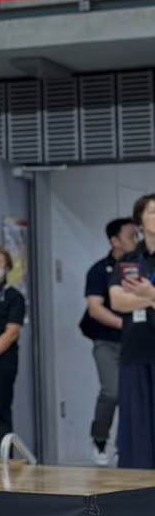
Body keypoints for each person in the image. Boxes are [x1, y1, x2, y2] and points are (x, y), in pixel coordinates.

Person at [82, 217, 138, 465]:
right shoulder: (99, 270)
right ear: (114, 241)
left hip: (138, 343)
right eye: (130, 236)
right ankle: (100, 439)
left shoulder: (142, 266)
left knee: (137, 396)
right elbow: (95, 309)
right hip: (108, 341)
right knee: (113, 392)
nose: (135, 241)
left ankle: (126, 446)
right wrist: (124, 324)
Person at [108, 195, 155, 468]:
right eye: (151, 212)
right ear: (139, 220)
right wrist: (151, 299)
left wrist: (149, 293)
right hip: (135, 350)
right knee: (137, 425)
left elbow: (130, 297)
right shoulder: (130, 260)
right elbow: (117, 301)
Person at [0, 246, 25, 456]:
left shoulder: (13, 297)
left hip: (2, 361)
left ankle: (1, 455)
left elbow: (12, 332)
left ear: (7, 268)